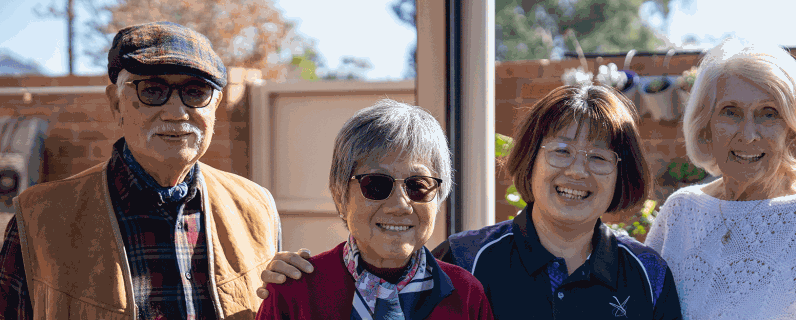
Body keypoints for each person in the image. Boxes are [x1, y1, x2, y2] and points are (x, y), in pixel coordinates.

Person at [259, 85, 682, 319]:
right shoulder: (467, 260)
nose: (577, 172)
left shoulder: (648, 275)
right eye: (560, 151)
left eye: (599, 157)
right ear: (530, 159)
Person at [0, 21, 281, 319]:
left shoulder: (256, 208)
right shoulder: (38, 219)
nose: (176, 112)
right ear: (116, 103)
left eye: (196, 92)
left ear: (215, 106)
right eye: (152, 90)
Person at [644, 38, 796, 318]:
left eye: (768, 114)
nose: (748, 134)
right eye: (730, 112)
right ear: (706, 125)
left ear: (793, 129)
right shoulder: (680, 212)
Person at [255, 100, 493, 319]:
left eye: (417, 185)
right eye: (376, 185)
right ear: (340, 195)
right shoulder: (294, 291)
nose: (400, 205)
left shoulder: (466, 295)